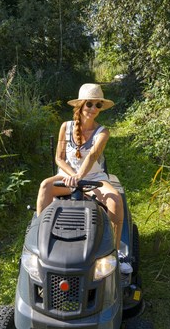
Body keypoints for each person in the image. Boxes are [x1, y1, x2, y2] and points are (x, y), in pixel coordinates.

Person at [36, 83, 125, 256]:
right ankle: (41, 240)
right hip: (68, 176)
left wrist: (79, 176)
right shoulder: (66, 127)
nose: (93, 108)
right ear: (81, 104)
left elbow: (92, 156)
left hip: (93, 177)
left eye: (98, 104)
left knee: (115, 200)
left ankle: (116, 251)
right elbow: (59, 158)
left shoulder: (102, 132)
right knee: (45, 185)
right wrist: (73, 176)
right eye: (89, 104)